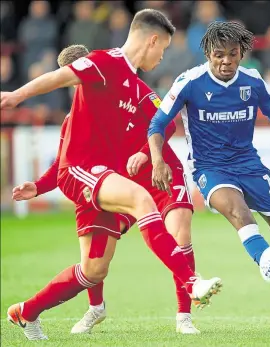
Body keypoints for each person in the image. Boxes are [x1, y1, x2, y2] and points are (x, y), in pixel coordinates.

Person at [2, 10, 222, 341]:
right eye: (162, 49)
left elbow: (165, 123)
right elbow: (58, 78)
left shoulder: (137, 88)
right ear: (152, 40)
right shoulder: (104, 62)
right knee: (140, 199)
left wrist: (144, 152)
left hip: (107, 177)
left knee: (93, 271)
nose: (163, 57)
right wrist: (17, 96)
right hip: (82, 169)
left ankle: (26, 312)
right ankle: (192, 283)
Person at [147, 21, 270, 331]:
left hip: (250, 166)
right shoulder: (189, 82)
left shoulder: (252, 82)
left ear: (242, 54)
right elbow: (157, 124)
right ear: (208, 54)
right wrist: (157, 159)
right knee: (240, 214)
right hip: (210, 169)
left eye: (233, 55)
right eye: (219, 55)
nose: (226, 62)